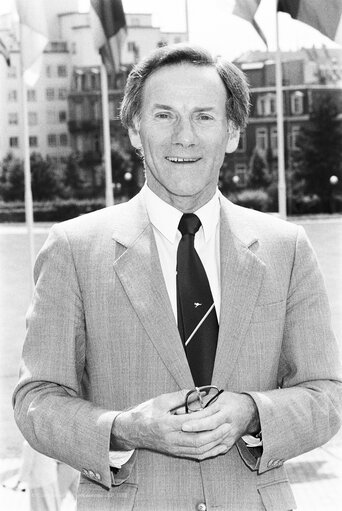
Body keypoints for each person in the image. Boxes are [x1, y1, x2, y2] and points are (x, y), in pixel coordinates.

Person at [13, 44, 342, 511]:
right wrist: (125, 427)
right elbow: (37, 401)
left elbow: (326, 396)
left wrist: (252, 412)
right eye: (164, 115)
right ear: (134, 130)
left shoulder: (286, 248)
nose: (183, 137)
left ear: (231, 132)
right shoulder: (73, 249)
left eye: (204, 117)